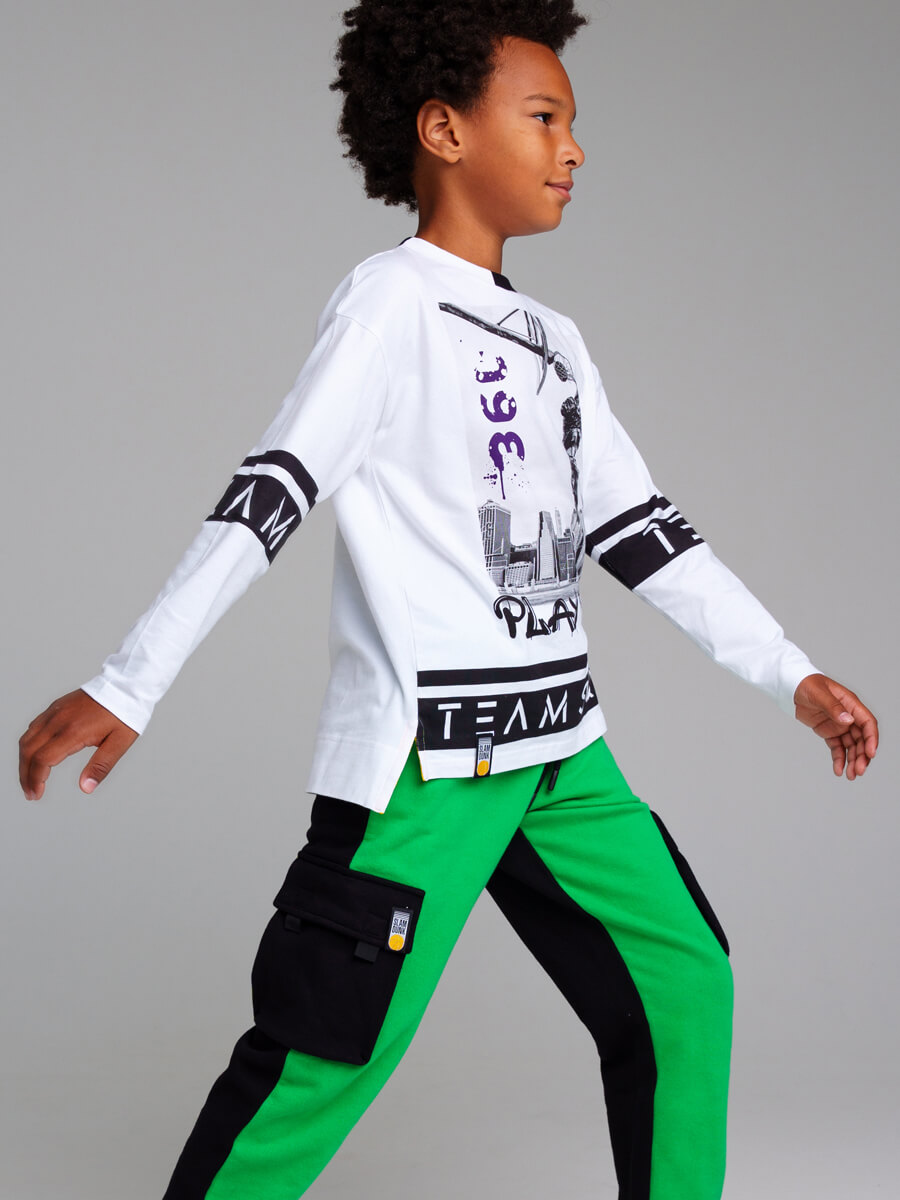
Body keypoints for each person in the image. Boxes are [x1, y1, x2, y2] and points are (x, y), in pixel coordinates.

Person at [18, 3, 878, 1198]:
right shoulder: (387, 305)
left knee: (684, 981)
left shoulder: (557, 341)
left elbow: (645, 535)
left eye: (572, 125)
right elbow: (275, 488)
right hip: (431, 763)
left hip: (566, 758)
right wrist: (130, 681)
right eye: (545, 118)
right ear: (444, 130)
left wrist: (791, 673)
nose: (574, 149)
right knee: (327, 1050)